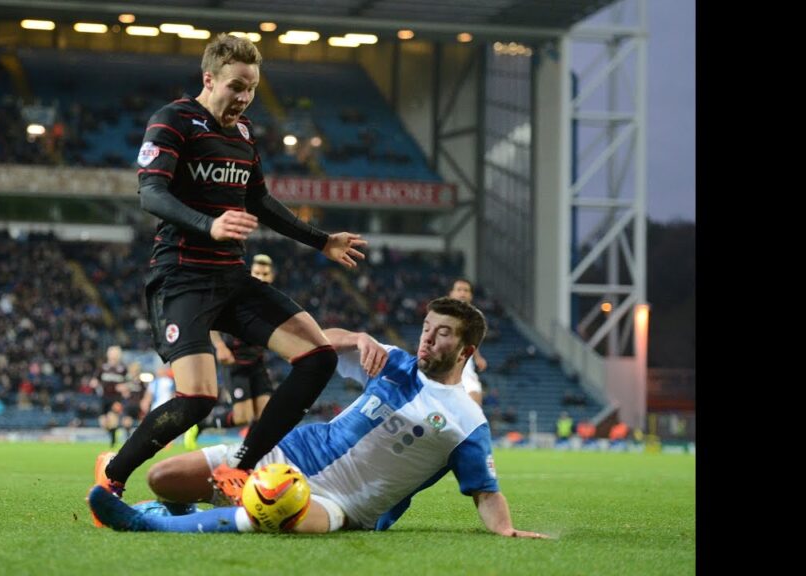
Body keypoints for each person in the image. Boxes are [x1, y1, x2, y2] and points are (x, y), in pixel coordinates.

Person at [99, 33, 367, 500]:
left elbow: (259, 201)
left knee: (318, 357)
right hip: (181, 279)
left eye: (252, 89)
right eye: (236, 86)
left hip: (231, 279)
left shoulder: (243, 137)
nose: (244, 98)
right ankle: (113, 473)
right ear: (209, 79)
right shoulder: (173, 121)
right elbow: (151, 193)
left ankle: (241, 468)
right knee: (198, 399)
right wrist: (210, 225)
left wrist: (321, 241)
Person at [88, 297, 547, 539]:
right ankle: (179, 510)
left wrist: (505, 529)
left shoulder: (467, 419)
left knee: (282, 516)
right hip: (288, 452)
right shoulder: (391, 360)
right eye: (427, 328)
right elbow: (312, 345)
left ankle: (150, 525)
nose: (428, 339)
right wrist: (356, 336)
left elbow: (485, 492)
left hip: (343, 504)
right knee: (164, 478)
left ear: (466, 351)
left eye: (442, 334)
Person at [185, 253, 280, 449]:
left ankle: (250, 454)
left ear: (272, 276)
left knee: (265, 415)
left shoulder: (273, 301)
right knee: (243, 416)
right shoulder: (237, 295)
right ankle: (202, 424)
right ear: (250, 273)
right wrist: (220, 346)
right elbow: (212, 321)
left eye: (265, 273)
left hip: (257, 362)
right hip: (235, 363)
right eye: (257, 273)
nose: (261, 277)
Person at [448, 279, 487, 405]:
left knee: (475, 398)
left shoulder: (475, 316)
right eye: (459, 290)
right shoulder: (440, 313)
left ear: (471, 296)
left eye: (466, 290)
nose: (462, 294)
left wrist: (478, 358)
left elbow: (472, 339)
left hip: (464, 366)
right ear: (451, 294)